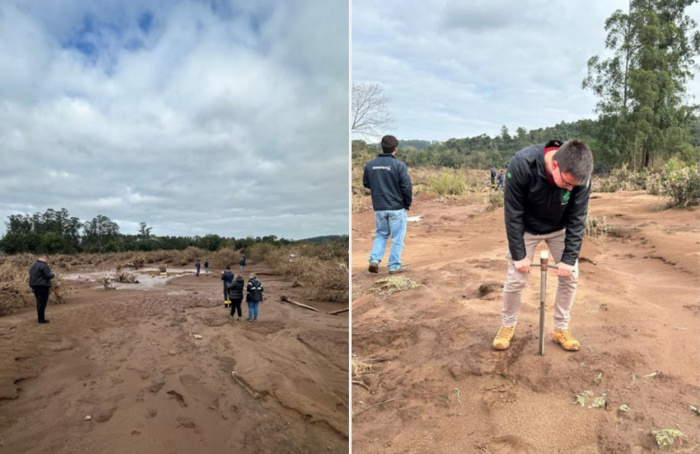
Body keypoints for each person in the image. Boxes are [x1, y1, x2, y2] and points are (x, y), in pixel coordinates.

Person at [493, 139, 593, 352]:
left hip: (559, 228)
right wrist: (519, 256)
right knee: (515, 278)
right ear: (555, 165)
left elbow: (577, 219)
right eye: (566, 183)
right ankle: (507, 326)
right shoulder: (521, 164)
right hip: (526, 228)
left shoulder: (580, 179)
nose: (569, 189)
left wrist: (568, 260)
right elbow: (513, 214)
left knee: (571, 275)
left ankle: (560, 328)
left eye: (574, 186)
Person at [363, 134, 413, 274]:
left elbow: (366, 183)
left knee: (381, 234)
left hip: (379, 207)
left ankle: (374, 260)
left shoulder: (370, 165)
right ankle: (394, 266)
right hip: (396, 207)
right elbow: (406, 187)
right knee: (397, 237)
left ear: (382, 147)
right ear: (395, 149)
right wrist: (407, 204)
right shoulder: (399, 165)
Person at [29, 253, 55, 324]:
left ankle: (40, 317)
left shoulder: (34, 265)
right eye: (47, 259)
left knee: (39, 302)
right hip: (42, 286)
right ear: (45, 258)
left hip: (34, 285)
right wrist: (53, 274)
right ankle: (41, 319)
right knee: (42, 303)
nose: (47, 261)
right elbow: (48, 276)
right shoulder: (44, 266)